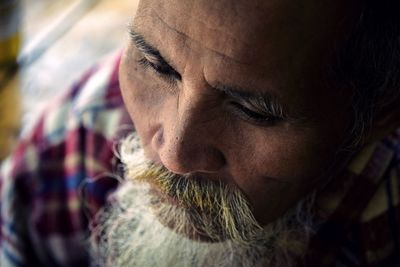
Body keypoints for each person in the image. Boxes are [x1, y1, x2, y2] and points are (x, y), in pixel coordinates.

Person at [1, 0, 400, 266]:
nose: (174, 153)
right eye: (157, 65)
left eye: (252, 110)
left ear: (382, 111)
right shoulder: (89, 126)